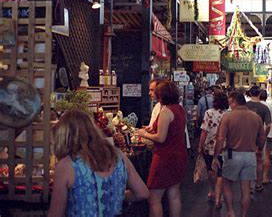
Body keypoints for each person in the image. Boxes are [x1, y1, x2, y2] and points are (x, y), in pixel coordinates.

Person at [48, 110, 149, 217]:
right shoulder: (119, 156)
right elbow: (142, 193)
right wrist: (117, 195)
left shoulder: (66, 166)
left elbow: (55, 214)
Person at [212, 91, 266, 217]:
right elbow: (262, 137)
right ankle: (243, 214)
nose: (229, 105)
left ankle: (230, 211)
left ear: (235, 102)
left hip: (232, 154)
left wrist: (215, 157)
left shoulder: (228, 117)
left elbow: (220, 138)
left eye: (230, 103)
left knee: (226, 183)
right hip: (250, 155)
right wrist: (258, 148)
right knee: (246, 189)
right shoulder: (255, 117)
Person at [138, 81, 187, 217]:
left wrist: (144, 134)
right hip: (179, 155)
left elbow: (161, 138)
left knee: (154, 198)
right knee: (174, 194)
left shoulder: (166, 111)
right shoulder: (179, 109)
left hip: (164, 157)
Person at [197, 90, 229, 209]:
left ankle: (212, 190)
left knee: (211, 169)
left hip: (209, 145)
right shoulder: (229, 113)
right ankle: (218, 199)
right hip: (224, 146)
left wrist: (200, 145)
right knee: (221, 172)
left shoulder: (209, 113)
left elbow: (204, 131)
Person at [245, 85, 271, 192]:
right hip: (259, 137)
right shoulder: (264, 108)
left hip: (246, 136)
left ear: (250, 94)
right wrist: (264, 135)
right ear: (260, 94)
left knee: (248, 162)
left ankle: (249, 186)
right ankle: (259, 184)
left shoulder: (245, 106)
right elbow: (269, 125)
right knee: (259, 160)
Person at [258, 90, 272, 184]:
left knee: (257, 155)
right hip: (269, 134)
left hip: (257, 134)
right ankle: (265, 177)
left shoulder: (256, 106)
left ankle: (257, 177)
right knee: (267, 155)